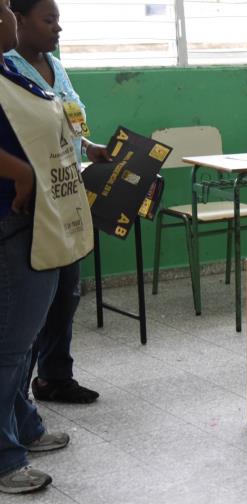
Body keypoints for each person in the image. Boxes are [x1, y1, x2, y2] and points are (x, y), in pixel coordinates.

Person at [0, 0, 94, 492]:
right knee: (9, 347)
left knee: (21, 343)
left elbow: (60, 124)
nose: (8, 19)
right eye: (4, 10)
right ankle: (4, 458)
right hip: (12, 218)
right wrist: (21, 172)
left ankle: (25, 427)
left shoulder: (16, 73)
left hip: (44, 214)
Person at [7, 0, 108, 404]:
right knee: (32, 305)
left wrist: (88, 146)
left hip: (66, 193)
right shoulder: (9, 68)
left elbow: (67, 121)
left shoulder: (56, 66)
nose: (57, 29)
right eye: (48, 20)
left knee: (67, 292)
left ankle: (54, 377)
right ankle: (18, 395)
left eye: (59, 20)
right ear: (18, 20)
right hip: (31, 202)